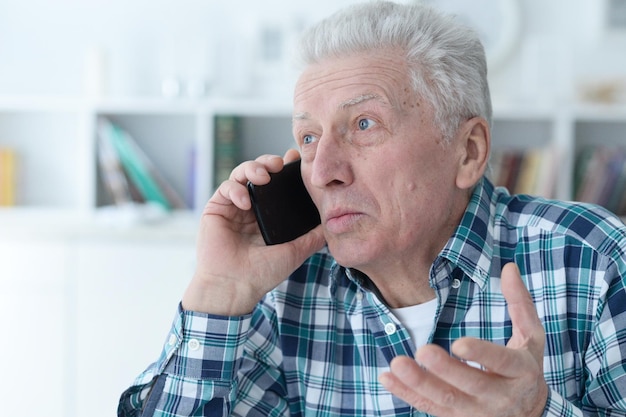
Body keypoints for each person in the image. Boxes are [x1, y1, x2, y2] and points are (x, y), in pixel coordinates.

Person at [118, 2, 626, 416]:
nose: (322, 171)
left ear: (468, 151)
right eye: (309, 137)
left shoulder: (595, 260)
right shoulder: (280, 291)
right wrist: (218, 293)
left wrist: (540, 410)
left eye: (364, 124)